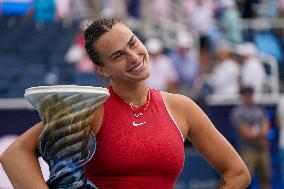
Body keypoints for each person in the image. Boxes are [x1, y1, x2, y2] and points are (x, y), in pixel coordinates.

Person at [0, 17, 250, 189]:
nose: (133, 57)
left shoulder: (181, 107)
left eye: (132, 43)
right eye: (118, 55)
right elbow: (14, 155)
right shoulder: (91, 108)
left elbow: (237, 173)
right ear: (102, 69)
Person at [231, 86, 271, 189]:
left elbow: (266, 125)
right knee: (245, 179)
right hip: (247, 150)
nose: (249, 96)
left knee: (266, 178)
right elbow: (244, 131)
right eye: (247, 94)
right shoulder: (238, 111)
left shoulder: (259, 110)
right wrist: (260, 135)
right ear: (243, 96)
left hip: (262, 149)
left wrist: (260, 134)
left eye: (251, 94)